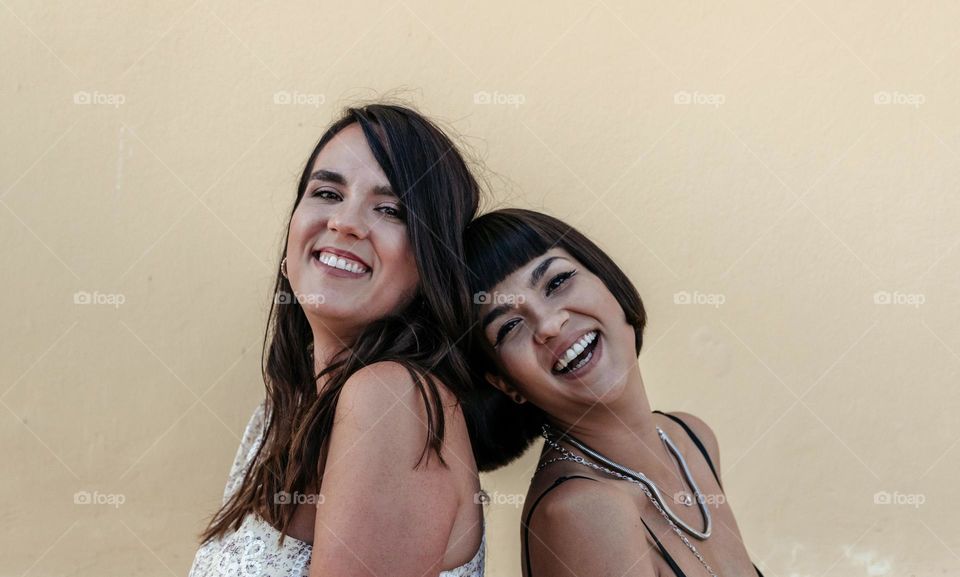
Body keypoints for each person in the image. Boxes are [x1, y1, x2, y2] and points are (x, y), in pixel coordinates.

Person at [188, 104, 485, 577]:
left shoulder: (391, 399)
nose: (345, 222)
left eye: (390, 209)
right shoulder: (281, 410)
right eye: (327, 192)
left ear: (432, 264)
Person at [463, 208, 764, 577]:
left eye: (557, 283)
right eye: (509, 326)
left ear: (606, 280)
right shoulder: (582, 512)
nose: (550, 324)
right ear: (506, 382)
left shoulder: (690, 439)